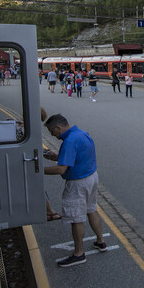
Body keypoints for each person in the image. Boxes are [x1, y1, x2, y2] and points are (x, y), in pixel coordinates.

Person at [43, 113, 108, 267]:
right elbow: (74, 157)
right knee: (92, 209)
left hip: (78, 183)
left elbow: (61, 169)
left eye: (52, 132)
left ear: (58, 128)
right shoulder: (81, 134)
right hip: (91, 177)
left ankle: (79, 253)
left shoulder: (69, 141)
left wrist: (39, 170)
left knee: (76, 218)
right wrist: (54, 156)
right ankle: (100, 241)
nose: (53, 136)